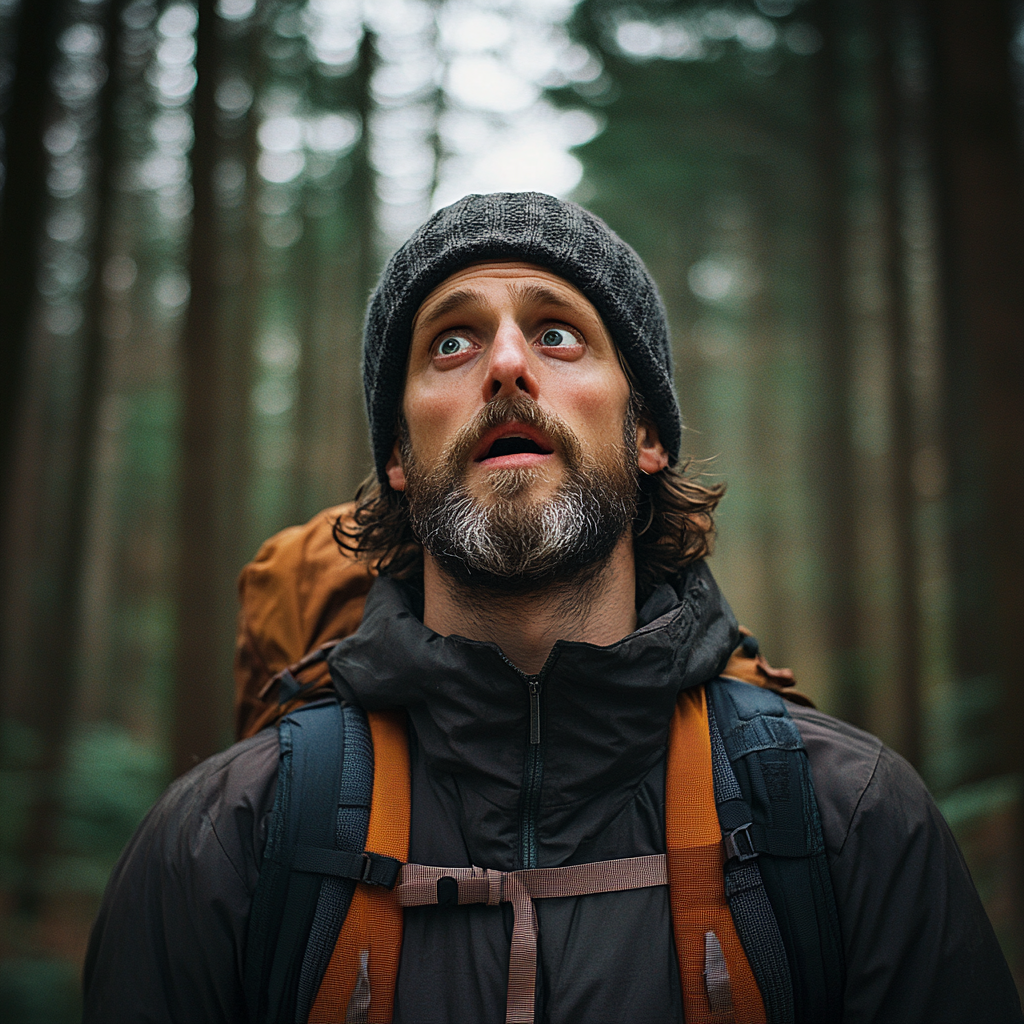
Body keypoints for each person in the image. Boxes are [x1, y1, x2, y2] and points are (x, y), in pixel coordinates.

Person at [83, 192, 1022, 1023]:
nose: (503, 365)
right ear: (399, 460)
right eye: (450, 341)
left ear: (644, 429)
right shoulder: (224, 842)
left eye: (557, 333)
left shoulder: (847, 822)